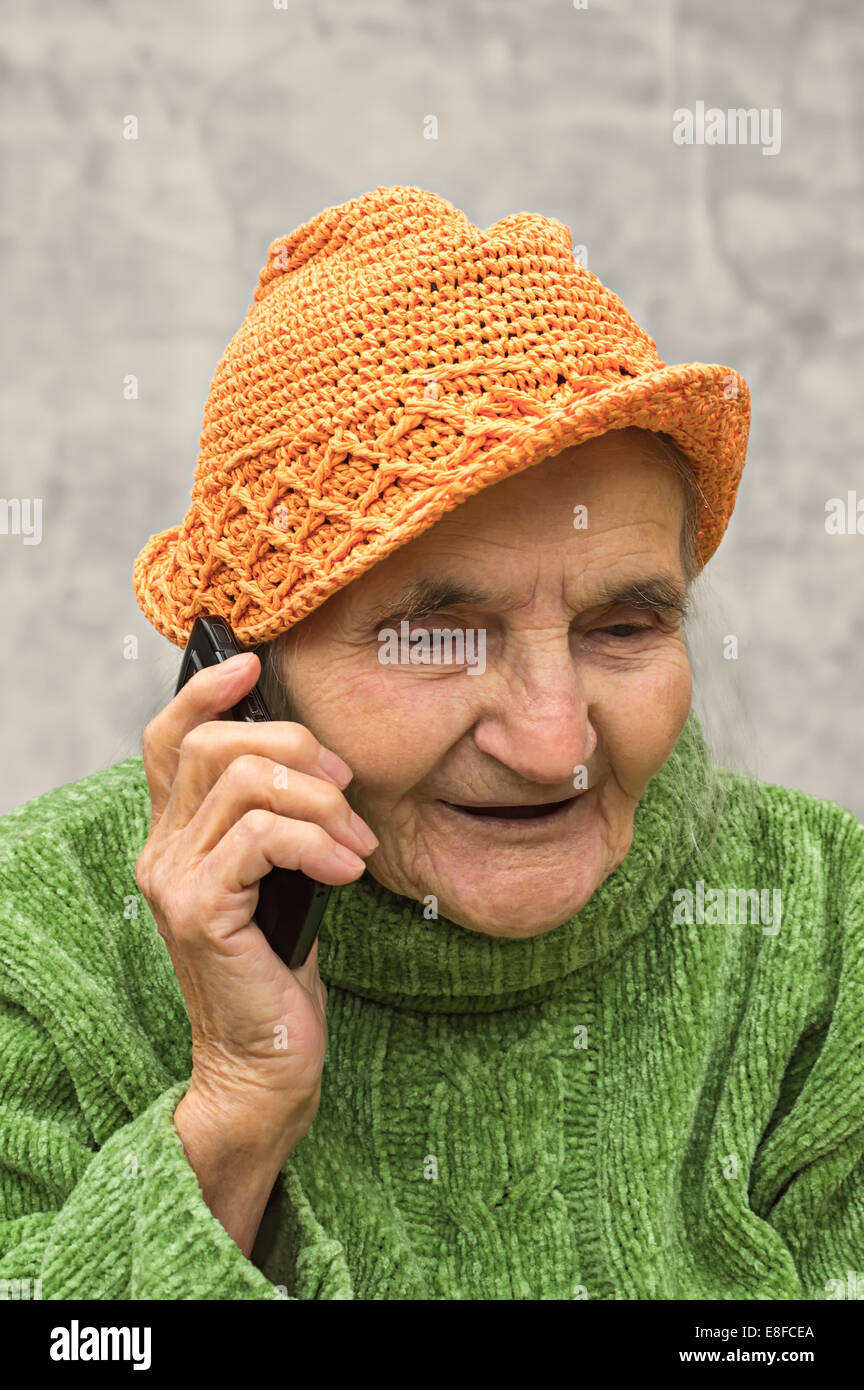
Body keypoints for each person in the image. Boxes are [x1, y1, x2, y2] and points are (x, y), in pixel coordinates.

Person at [1, 186, 861, 1301]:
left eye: (623, 627)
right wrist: (232, 1111)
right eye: (437, 638)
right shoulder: (40, 935)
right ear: (239, 676)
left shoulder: (827, 928)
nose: (554, 742)